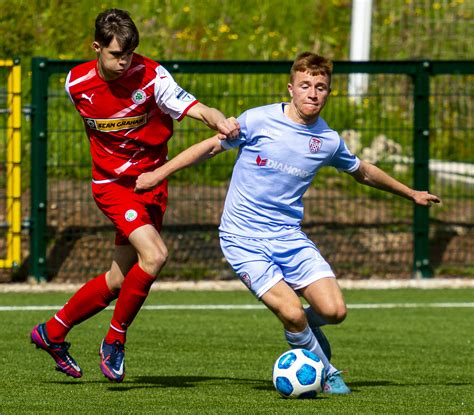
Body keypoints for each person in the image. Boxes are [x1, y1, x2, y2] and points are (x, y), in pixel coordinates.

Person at [134, 52, 441, 394]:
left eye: (321, 87)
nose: (313, 93)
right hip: (242, 239)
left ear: (328, 93)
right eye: (306, 85)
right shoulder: (258, 121)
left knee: (335, 311)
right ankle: (327, 373)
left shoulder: (328, 141)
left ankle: (299, 332)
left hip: (289, 238)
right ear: (291, 88)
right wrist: (158, 174)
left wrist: (410, 193)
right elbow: (208, 147)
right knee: (292, 313)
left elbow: (363, 172)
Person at [30, 8, 239, 383]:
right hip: (112, 187)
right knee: (156, 254)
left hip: (152, 184)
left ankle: (52, 332)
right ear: (96, 47)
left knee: (116, 281)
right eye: (115, 55)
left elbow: (197, 108)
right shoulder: (74, 83)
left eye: (129, 54)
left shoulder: (154, 77)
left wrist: (220, 120)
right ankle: (114, 340)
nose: (124, 62)